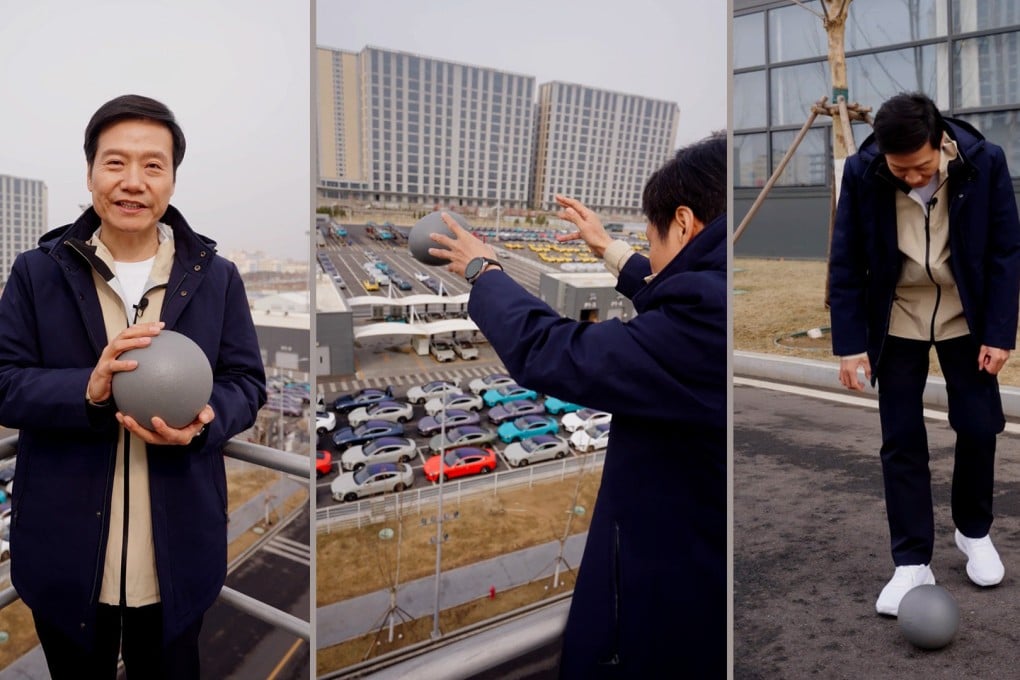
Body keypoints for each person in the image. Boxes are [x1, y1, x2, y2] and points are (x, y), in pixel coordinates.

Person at [429, 134, 726, 677]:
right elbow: (678, 290)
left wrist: (485, 274)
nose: (649, 253)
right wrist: (612, 251)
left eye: (650, 236)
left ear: (684, 223)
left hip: (670, 589)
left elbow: (554, 352)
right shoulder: (724, 286)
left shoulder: (708, 315)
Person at [0, 95, 267, 678]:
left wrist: (206, 420)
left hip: (177, 558)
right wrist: (87, 390)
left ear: (172, 178)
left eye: (153, 165)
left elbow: (247, 383)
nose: (133, 182)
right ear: (91, 171)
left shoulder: (215, 278)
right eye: (115, 162)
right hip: (65, 557)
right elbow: (5, 382)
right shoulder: (37, 272)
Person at [829, 92, 1020, 616]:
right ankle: (911, 561)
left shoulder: (985, 161)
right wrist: (848, 345)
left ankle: (973, 531)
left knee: (979, 426)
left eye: (920, 167)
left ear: (941, 144)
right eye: (900, 169)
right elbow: (845, 260)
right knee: (902, 440)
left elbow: (1006, 251)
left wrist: (1001, 333)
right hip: (898, 318)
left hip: (967, 316)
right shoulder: (864, 171)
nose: (911, 178)